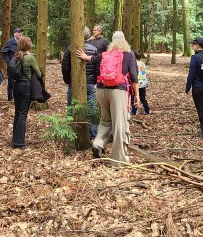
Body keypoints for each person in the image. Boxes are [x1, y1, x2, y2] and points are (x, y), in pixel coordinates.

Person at [76, 31, 138, 164]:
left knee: (105, 120)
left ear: (112, 42)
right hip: (118, 92)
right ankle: (118, 160)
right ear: (124, 41)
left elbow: (92, 59)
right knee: (119, 124)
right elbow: (133, 76)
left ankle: (98, 144)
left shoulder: (105, 54)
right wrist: (137, 94)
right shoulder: (129, 55)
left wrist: (83, 55)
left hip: (101, 90)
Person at [61, 26, 99, 138]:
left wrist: (68, 80)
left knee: (71, 107)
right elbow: (97, 67)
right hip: (90, 84)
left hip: (75, 83)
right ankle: (92, 133)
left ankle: (70, 132)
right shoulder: (94, 49)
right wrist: (94, 80)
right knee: (91, 108)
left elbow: (65, 68)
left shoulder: (70, 48)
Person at [11, 36, 42, 149]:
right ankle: (19, 142)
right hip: (25, 86)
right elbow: (38, 73)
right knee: (23, 115)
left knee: (17, 113)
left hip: (16, 86)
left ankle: (15, 139)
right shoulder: (29, 57)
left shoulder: (16, 56)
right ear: (28, 45)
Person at [185, 37, 203, 138]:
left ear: (197, 45)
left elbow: (191, 74)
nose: (192, 46)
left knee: (201, 110)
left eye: (193, 44)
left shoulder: (195, 58)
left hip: (198, 88)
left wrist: (187, 88)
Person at [1, 27, 23, 101]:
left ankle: (17, 97)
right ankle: (10, 98)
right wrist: (9, 62)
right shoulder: (10, 42)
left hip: (20, 65)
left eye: (21, 32)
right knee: (11, 82)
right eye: (18, 32)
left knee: (19, 81)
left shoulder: (22, 42)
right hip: (12, 66)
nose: (20, 33)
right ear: (14, 34)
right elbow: (3, 52)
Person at [133, 51, 150, 115]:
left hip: (136, 84)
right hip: (143, 83)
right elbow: (145, 73)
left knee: (134, 97)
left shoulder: (133, 64)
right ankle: (147, 109)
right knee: (143, 98)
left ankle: (134, 112)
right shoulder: (142, 63)